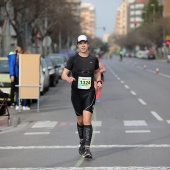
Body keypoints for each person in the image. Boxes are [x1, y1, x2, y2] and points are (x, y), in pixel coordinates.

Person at [62, 35, 102, 158]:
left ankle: (87, 148)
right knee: (80, 121)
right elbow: (64, 74)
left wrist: (99, 81)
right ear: (78, 45)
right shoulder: (73, 59)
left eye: (85, 43)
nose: (83, 45)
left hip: (89, 93)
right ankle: (81, 141)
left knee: (87, 120)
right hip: (76, 94)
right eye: (80, 43)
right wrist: (68, 78)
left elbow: (97, 72)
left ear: (88, 44)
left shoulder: (93, 59)